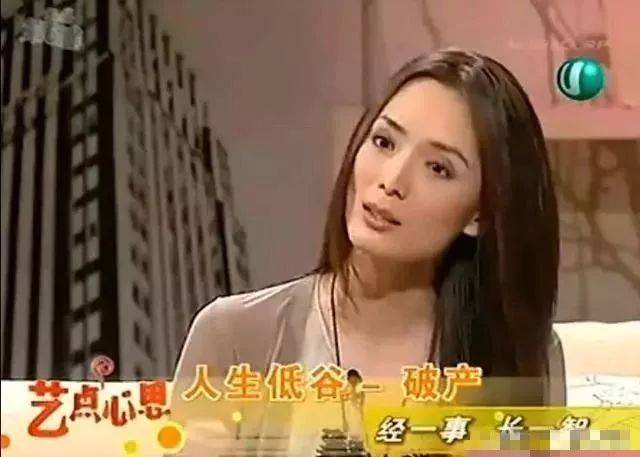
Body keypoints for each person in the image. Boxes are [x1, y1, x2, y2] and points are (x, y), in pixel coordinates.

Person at [169, 47, 567, 456]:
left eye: (438, 168)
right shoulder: (235, 336)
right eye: (384, 142)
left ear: (480, 214)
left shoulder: (522, 357)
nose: (392, 180)